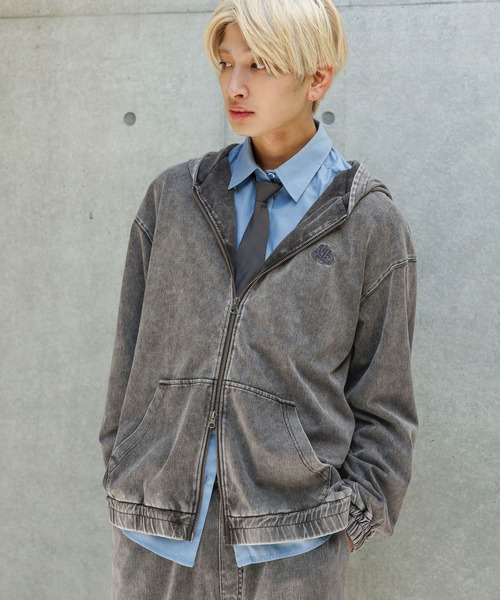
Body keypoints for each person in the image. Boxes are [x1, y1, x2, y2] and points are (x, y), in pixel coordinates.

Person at [99, 1, 418, 598]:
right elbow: (128, 356)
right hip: (156, 537)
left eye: (260, 65)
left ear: (316, 78)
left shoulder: (368, 224)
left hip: (294, 549)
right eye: (226, 63)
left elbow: (386, 404)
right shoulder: (173, 200)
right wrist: (126, 465)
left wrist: (347, 525)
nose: (235, 86)